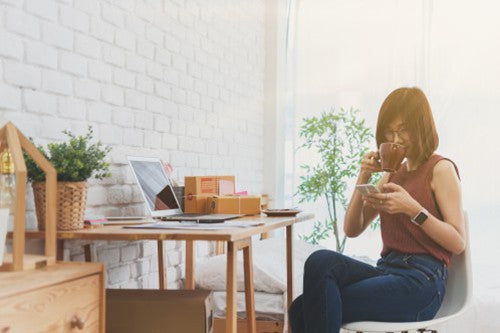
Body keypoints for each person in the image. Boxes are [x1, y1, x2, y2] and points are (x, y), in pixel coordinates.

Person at [288, 87, 466, 333]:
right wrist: (364, 175)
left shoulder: (441, 168)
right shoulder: (393, 174)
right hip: (387, 269)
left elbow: (458, 242)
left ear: (420, 127)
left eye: (403, 130)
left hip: (422, 281)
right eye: (390, 132)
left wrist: (414, 210)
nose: (395, 139)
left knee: (304, 308)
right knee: (320, 262)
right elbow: (352, 228)